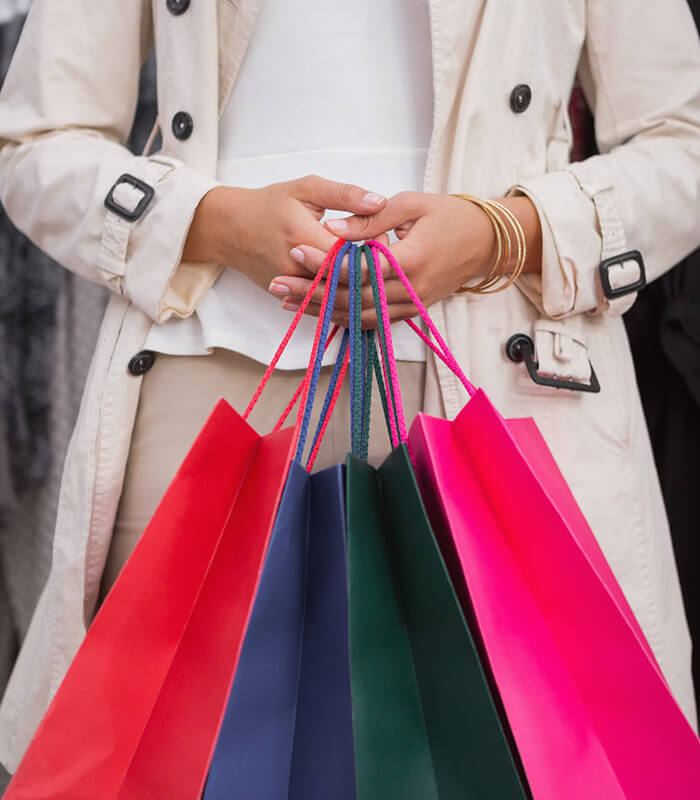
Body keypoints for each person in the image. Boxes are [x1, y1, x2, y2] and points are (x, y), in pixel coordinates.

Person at [0, 0, 699, 773]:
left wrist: (501, 232)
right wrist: (213, 218)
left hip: (493, 384)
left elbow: (683, 141)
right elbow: (36, 139)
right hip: (207, 381)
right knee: (165, 770)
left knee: (515, 764)